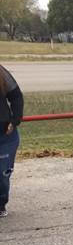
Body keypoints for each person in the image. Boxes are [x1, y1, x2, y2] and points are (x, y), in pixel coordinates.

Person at [0, 64, 23, 218]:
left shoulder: (1, 73)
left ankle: (1, 204)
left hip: (4, 135)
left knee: (2, 174)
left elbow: (16, 96)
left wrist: (15, 120)